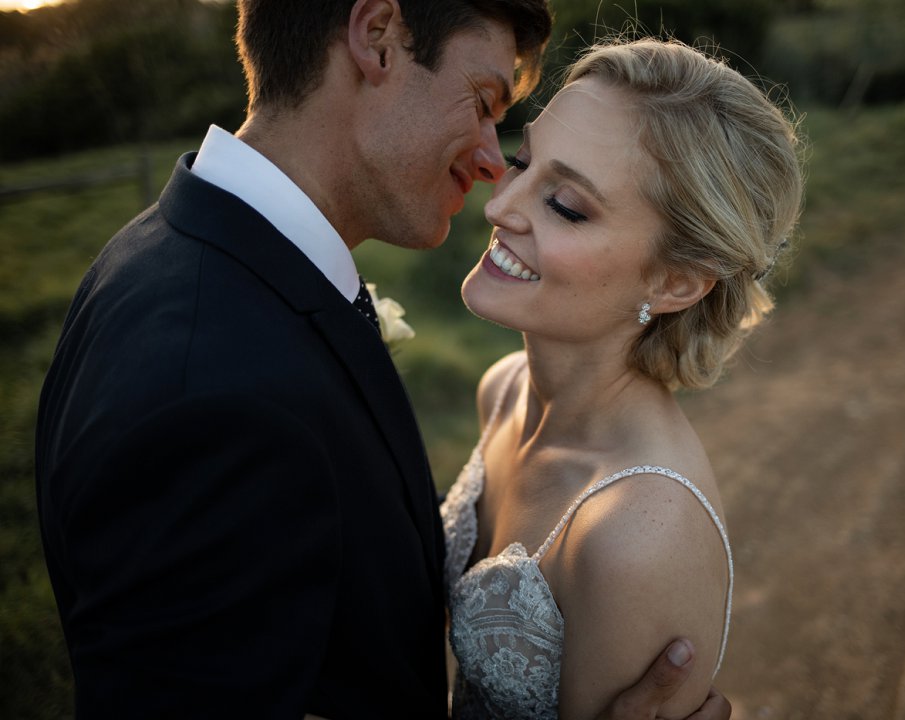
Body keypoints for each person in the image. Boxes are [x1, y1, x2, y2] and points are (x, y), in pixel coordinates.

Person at [34, 1, 733, 718]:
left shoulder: (159, 255)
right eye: (485, 103)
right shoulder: (218, 396)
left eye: (566, 201)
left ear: (678, 280)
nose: (496, 179)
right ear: (379, 38)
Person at [443, 37, 803, 719]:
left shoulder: (637, 534)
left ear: (676, 282)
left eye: (567, 206)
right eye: (521, 161)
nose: (499, 208)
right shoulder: (505, 388)